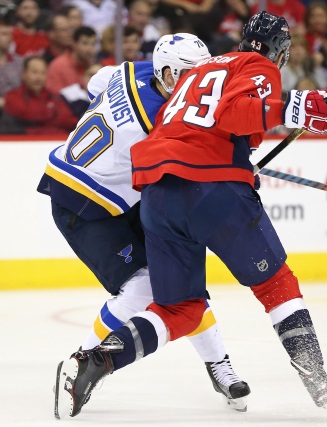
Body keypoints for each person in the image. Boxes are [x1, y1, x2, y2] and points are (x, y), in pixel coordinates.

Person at [55, 11, 327, 419]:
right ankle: (317, 380)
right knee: (276, 284)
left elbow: (210, 125)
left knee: (181, 309)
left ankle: (100, 359)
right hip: (211, 191)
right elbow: (235, 115)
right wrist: (295, 108)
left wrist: (243, 155)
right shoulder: (259, 65)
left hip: (156, 194)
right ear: (280, 52)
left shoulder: (200, 71)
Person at [41, 33, 250, 418]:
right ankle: (80, 365)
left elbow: (96, 82)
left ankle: (219, 365)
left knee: (181, 276)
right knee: (144, 286)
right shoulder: (157, 122)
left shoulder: (134, 70)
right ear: (168, 74)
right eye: (190, 75)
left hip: (101, 185)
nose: (199, 83)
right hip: (86, 202)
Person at [0, 56, 77, 134]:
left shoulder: (55, 97)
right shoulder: (13, 96)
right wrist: (51, 113)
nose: (38, 78)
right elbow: (26, 114)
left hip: (54, 142)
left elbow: (69, 120)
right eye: (34, 72)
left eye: (43, 73)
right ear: (24, 74)